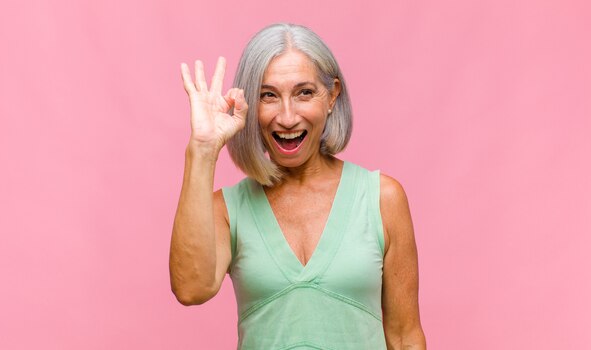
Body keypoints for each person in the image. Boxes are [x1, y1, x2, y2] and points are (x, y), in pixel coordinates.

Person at [169, 23, 426, 349]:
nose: (287, 117)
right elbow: (191, 289)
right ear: (249, 106)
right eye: (268, 96)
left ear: (332, 96)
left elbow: (405, 338)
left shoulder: (382, 199)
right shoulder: (227, 210)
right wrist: (203, 149)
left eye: (304, 92)